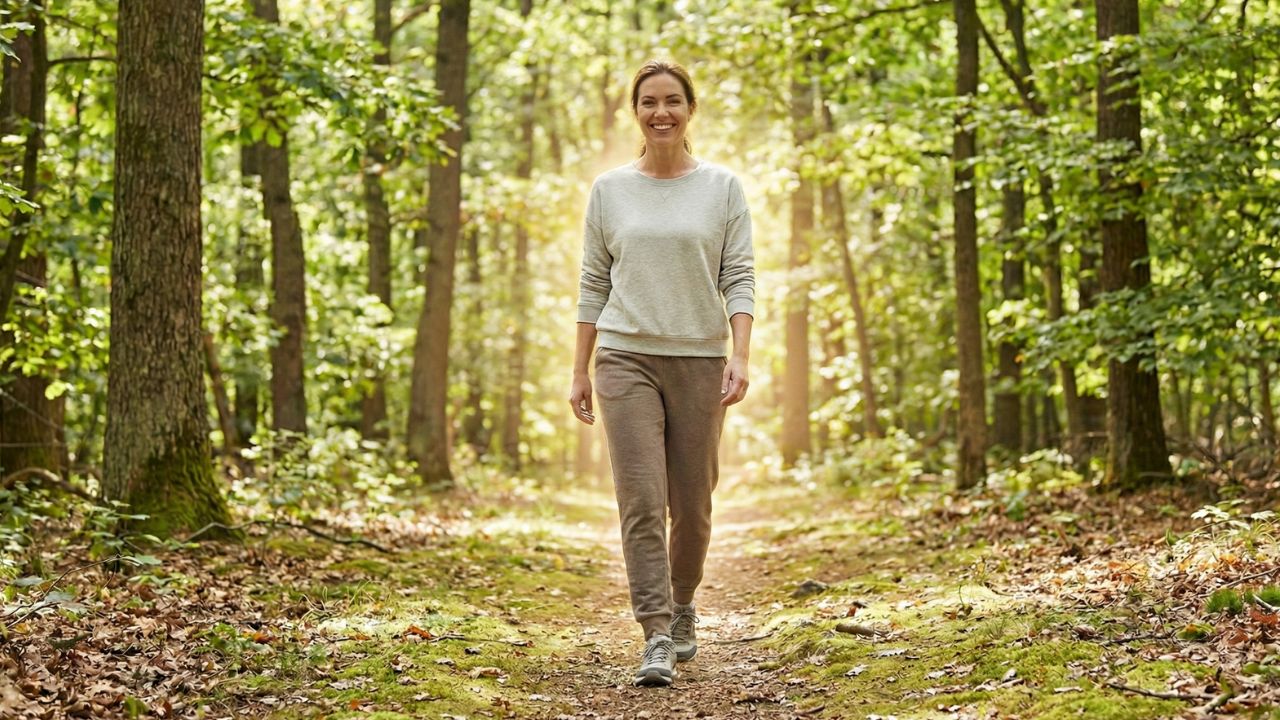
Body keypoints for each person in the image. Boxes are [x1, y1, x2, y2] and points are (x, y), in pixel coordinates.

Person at [568, 59, 755, 688]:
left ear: (690, 109)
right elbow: (594, 283)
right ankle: (654, 632)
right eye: (649, 102)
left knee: (693, 506)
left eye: (672, 101)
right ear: (635, 112)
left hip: (701, 359)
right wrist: (580, 369)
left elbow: (740, 276)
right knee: (641, 500)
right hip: (624, 357)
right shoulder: (609, 190)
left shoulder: (723, 188)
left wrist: (741, 353)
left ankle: (682, 605)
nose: (661, 113)